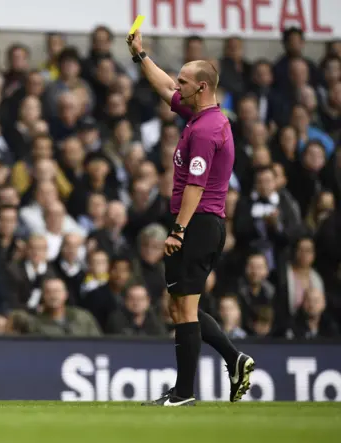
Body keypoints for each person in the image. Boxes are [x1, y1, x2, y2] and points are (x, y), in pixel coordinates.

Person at [126, 30, 254, 406]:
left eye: (184, 80)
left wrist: (178, 231)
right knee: (183, 306)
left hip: (197, 223)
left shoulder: (205, 131)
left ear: (201, 87)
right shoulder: (204, 115)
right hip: (201, 223)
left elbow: (195, 187)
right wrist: (140, 55)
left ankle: (184, 393)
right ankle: (235, 360)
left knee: (184, 307)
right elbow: (164, 87)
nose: (176, 84)